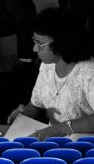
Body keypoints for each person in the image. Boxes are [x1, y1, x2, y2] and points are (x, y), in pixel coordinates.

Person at [7, 8, 94, 140]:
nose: (34, 49)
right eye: (34, 41)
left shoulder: (89, 71)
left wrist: (58, 129)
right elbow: (36, 105)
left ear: (61, 44)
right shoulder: (46, 66)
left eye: (40, 44)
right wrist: (26, 112)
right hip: (53, 142)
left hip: (84, 147)